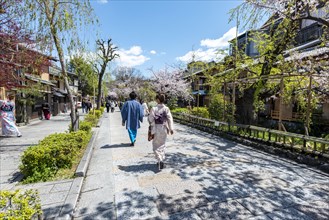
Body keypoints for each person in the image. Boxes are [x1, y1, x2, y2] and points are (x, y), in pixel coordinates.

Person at [148, 93, 174, 170]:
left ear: (158, 100)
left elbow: (150, 119)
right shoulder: (166, 108)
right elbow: (170, 118)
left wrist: (151, 123)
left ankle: (160, 159)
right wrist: (171, 128)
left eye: (156, 99)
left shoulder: (154, 108)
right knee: (162, 144)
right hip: (164, 128)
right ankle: (161, 159)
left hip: (156, 128)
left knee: (155, 145)